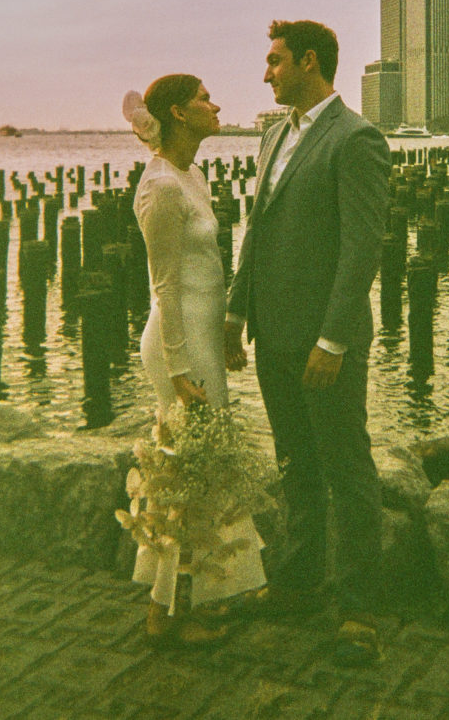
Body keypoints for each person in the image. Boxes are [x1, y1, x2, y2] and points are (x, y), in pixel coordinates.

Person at [225, 20, 391, 666]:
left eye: (275, 61)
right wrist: (238, 312)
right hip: (274, 334)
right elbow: (257, 229)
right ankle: (296, 582)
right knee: (295, 462)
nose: (266, 73)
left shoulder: (356, 140)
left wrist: (334, 338)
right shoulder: (273, 137)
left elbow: (360, 250)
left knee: (347, 466)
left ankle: (358, 609)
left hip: (326, 343)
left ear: (310, 62)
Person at [123, 74, 266, 646]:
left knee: (200, 470)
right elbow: (163, 288)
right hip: (177, 345)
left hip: (204, 337)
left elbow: (207, 273)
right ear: (180, 113)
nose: (217, 104)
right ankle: (164, 612)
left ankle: (198, 597)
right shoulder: (159, 187)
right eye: (206, 98)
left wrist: (228, 330)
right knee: (184, 471)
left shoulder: (193, 175)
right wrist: (179, 371)